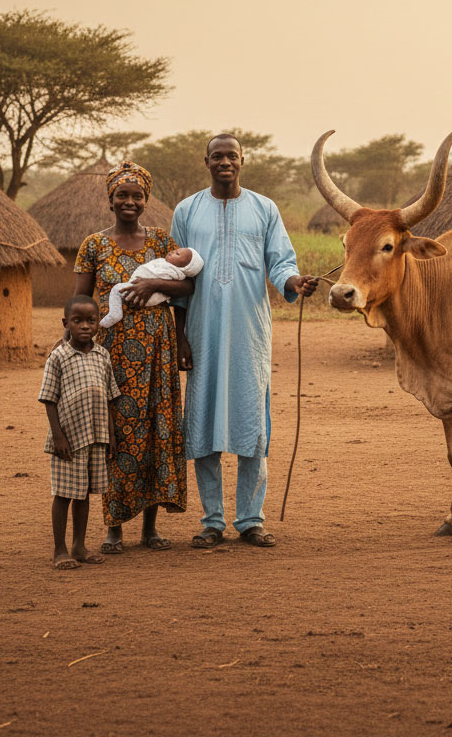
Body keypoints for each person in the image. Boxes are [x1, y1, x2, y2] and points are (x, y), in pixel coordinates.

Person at [171, 134, 318, 548]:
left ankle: (251, 519)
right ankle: (212, 521)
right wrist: (181, 337)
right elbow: (179, 275)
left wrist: (293, 281)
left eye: (231, 156)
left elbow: (281, 261)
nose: (224, 162)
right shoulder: (187, 210)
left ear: (242, 161)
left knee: (253, 423)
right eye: (217, 156)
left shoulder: (264, 208)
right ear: (206, 162)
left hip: (251, 333)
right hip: (201, 332)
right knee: (203, 422)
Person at [74, 160, 193, 554]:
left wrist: (181, 340)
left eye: (137, 196)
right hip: (112, 353)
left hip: (159, 352)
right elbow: (80, 302)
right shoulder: (94, 244)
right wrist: (75, 348)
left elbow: (186, 288)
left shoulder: (161, 241)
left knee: (159, 432)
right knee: (118, 436)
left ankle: (150, 529)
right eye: (122, 195)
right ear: (111, 199)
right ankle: (114, 528)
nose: (130, 201)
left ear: (146, 200)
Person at [40, 294, 119, 570]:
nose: (85, 326)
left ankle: (79, 545)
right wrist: (58, 436)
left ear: (98, 323)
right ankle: (60, 550)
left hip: (96, 436)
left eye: (91, 320)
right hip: (69, 440)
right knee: (64, 493)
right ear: (66, 323)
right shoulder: (58, 356)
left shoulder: (102, 355)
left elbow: (109, 398)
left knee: (84, 493)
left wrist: (110, 436)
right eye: (77, 321)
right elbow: (49, 399)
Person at [99, 247, 204, 328]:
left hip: (153, 323)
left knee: (117, 289)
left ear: (184, 267)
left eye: (177, 254)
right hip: (121, 331)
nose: (172, 252)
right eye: (175, 250)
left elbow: (189, 287)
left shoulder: (171, 270)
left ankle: (115, 313)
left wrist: (152, 284)